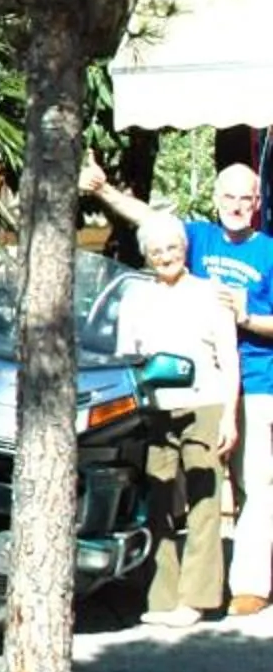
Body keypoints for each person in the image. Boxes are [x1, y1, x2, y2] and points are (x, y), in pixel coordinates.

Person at [85, 157, 271, 620]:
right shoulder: (199, 239)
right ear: (215, 199)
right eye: (228, 197)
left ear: (258, 203)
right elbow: (150, 220)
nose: (236, 205)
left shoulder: (268, 250)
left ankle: (248, 584)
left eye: (245, 198)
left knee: (253, 483)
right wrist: (103, 191)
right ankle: (172, 590)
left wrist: (249, 318)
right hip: (184, 387)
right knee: (170, 490)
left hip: (256, 379)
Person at [114, 212, 240, 627]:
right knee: (158, 500)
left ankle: (197, 598)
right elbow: (124, 355)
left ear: (184, 249)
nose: (165, 256)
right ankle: (162, 596)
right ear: (146, 256)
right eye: (156, 250)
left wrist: (229, 418)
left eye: (172, 247)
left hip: (204, 403)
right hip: (155, 409)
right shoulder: (136, 297)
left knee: (205, 500)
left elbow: (229, 358)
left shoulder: (211, 293)